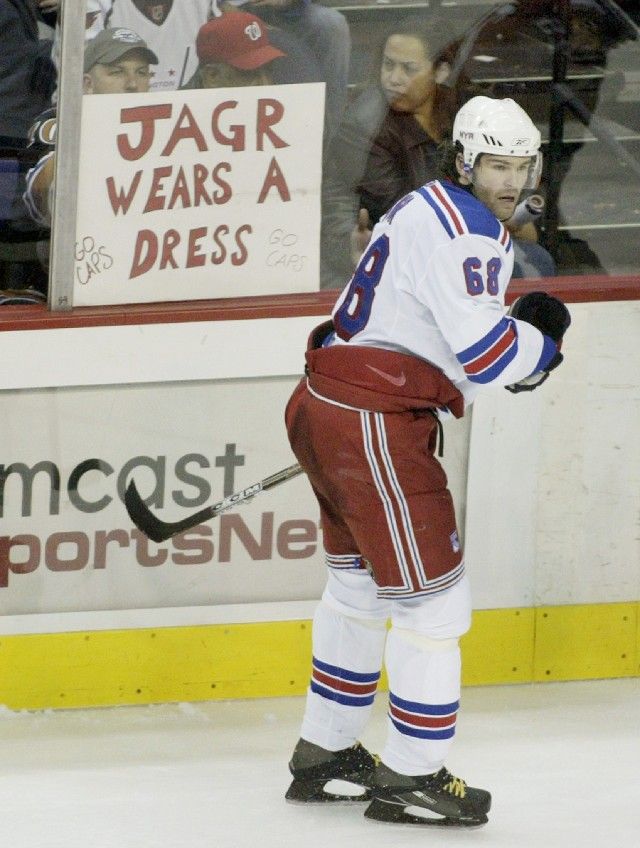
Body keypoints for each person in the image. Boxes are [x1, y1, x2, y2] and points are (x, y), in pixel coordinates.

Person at [283, 96, 570, 826]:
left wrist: (510, 345)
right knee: (434, 604)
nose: (509, 180)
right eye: (495, 164)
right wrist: (539, 348)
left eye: (520, 165)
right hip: (375, 423)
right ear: (465, 162)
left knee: (359, 593)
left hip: (329, 404)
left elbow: (446, 345)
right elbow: (485, 356)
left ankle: (328, 750)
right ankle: (414, 774)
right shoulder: (471, 236)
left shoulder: (425, 205)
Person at [320, 20, 466, 288]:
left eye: (408, 69)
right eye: (388, 65)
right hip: (391, 259)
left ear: (441, 72)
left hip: (443, 244)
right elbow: (408, 212)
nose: (393, 78)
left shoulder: (460, 108)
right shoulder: (364, 127)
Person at [23, 27, 157, 243]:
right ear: (87, 83)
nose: (133, 84)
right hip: (74, 252)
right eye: (117, 72)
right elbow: (41, 199)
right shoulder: (56, 121)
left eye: (141, 73)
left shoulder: (164, 127)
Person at [181, 11, 286, 90]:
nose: (266, 85)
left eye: (268, 69)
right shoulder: (176, 116)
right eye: (249, 74)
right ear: (212, 76)